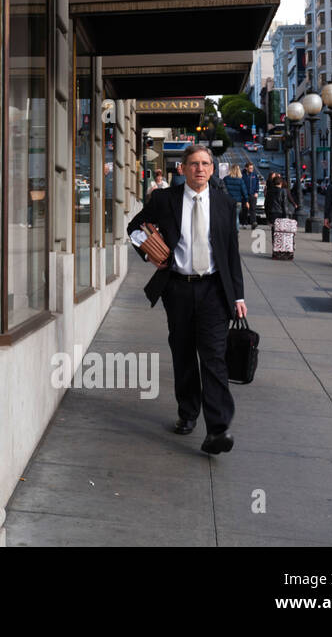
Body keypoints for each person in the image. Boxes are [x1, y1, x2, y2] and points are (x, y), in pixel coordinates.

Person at [127, 143, 245, 455]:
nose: (200, 169)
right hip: (177, 288)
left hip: (213, 290)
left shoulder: (224, 203)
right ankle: (188, 413)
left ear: (212, 168)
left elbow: (231, 254)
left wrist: (238, 295)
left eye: (206, 164)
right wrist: (150, 252)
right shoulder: (165, 200)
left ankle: (218, 429)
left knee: (214, 357)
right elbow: (132, 229)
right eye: (194, 164)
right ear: (183, 168)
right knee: (183, 352)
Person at [266, 173, 298, 260]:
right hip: (281, 213)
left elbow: (266, 205)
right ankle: (285, 251)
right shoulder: (283, 191)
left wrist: (268, 217)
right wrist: (286, 216)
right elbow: (284, 204)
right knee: (284, 233)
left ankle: (275, 251)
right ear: (280, 183)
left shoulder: (269, 192)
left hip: (272, 214)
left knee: (274, 233)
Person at [241, 161, 260, 227]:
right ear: (246, 168)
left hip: (252, 195)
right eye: (250, 168)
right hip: (244, 195)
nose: (252, 169)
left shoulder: (254, 175)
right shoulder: (242, 175)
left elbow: (257, 183)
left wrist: (256, 192)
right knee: (245, 209)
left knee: (253, 209)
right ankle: (244, 223)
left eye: (252, 168)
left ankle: (253, 222)